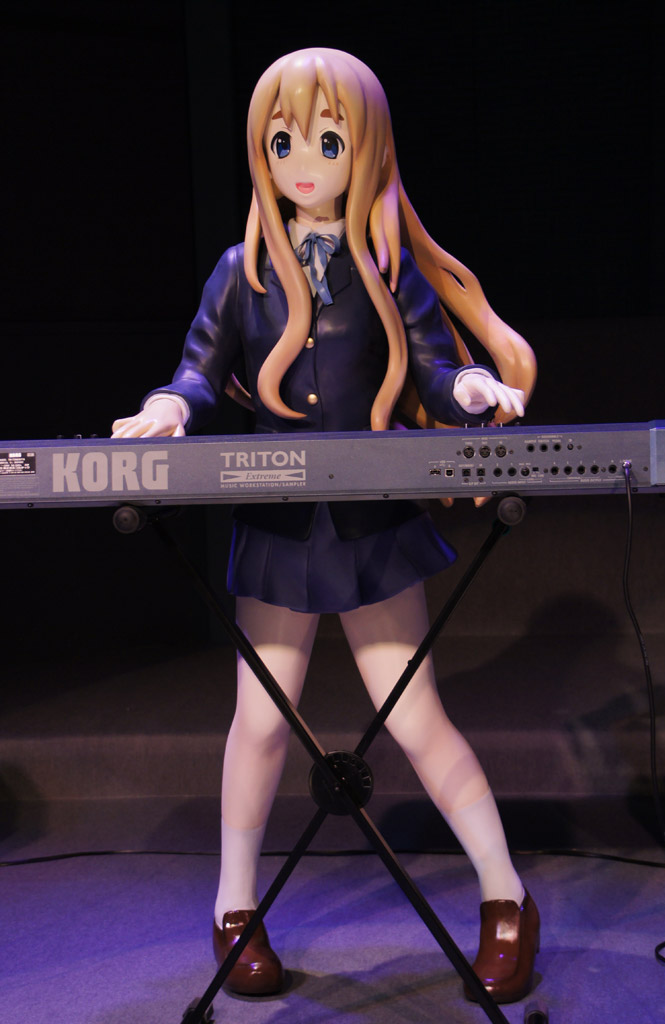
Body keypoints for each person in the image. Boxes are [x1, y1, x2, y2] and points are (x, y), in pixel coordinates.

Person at [112, 48, 539, 1004]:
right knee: (261, 722)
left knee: (416, 719)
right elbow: (197, 369)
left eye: (328, 142)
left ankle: (506, 896)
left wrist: (471, 387)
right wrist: (170, 406)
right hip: (277, 529)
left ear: (365, 150)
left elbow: (433, 368)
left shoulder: (387, 267)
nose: (304, 163)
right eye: (283, 143)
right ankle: (234, 908)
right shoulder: (242, 271)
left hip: (371, 525)